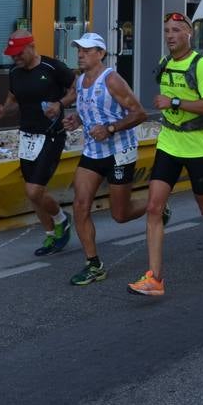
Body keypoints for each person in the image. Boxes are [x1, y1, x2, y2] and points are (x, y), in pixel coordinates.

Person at [128, 12, 203, 297]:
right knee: (154, 207)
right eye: (167, 30)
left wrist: (175, 101)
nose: (170, 35)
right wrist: (168, 106)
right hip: (168, 142)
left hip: (197, 146)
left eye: (176, 30)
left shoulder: (201, 65)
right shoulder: (164, 63)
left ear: (188, 34)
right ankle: (155, 278)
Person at [61, 33, 152, 286]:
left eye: (87, 50)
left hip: (119, 151)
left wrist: (110, 129)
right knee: (80, 206)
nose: (80, 54)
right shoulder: (80, 81)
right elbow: (88, 109)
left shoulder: (112, 80)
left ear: (100, 53)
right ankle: (93, 264)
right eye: (79, 49)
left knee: (120, 215)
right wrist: (75, 120)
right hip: (92, 152)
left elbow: (140, 113)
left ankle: (156, 203)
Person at [0, 30, 77, 257]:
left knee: (34, 189)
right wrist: (2, 111)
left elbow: (76, 90)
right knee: (33, 194)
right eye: (12, 55)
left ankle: (61, 219)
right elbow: (13, 100)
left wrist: (59, 103)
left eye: (18, 53)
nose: (15, 58)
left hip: (51, 134)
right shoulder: (15, 72)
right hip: (27, 136)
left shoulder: (53, 68)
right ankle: (50, 235)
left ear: (31, 47)